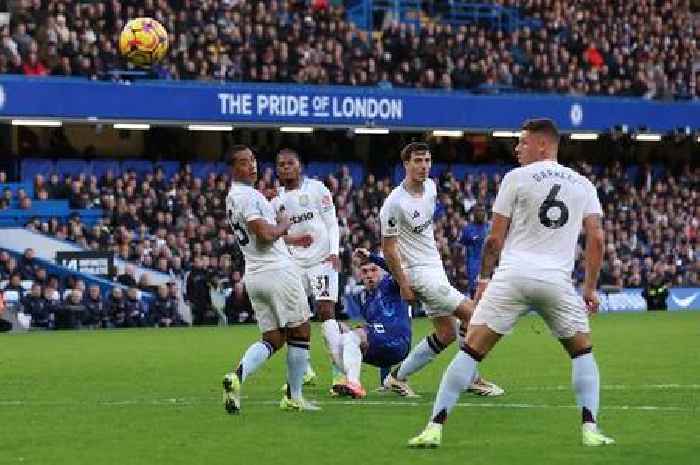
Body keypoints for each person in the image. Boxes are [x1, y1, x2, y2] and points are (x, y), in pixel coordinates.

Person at [408, 118, 614, 448]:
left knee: (471, 350)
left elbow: (493, 240)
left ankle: (434, 426)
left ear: (544, 144)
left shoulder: (516, 178)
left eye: (523, 142)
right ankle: (591, 429)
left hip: (513, 277)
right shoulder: (584, 185)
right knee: (582, 352)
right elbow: (598, 239)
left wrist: (484, 279)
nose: (517, 148)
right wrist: (589, 289)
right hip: (556, 281)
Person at [379, 142, 503, 397]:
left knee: (446, 333)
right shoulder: (394, 203)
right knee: (473, 314)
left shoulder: (431, 189)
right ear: (406, 164)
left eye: (427, 160)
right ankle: (471, 377)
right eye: (418, 161)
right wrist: (403, 283)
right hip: (418, 273)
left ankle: (396, 377)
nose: (424, 166)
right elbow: (389, 248)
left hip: (434, 267)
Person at [222, 145, 319, 413]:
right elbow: (266, 234)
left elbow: (262, 236)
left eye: (253, 160)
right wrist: (285, 223)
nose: (252, 165)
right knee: (301, 331)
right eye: (243, 162)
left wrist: (291, 237)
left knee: (273, 337)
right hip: (278, 273)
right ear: (233, 169)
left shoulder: (234, 197)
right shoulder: (249, 197)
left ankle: (236, 377)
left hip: (254, 275)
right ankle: (294, 397)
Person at [273, 148, 342, 390]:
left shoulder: (317, 189)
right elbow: (273, 236)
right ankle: (303, 371)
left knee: (325, 310)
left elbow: (332, 223)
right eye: (281, 164)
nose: (285, 168)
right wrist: (294, 241)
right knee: (294, 317)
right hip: (295, 264)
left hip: (322, 260)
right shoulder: (275, 200)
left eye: (290, 163)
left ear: (299, 166)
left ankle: (340, 374)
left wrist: (334, 252)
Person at [337, 248, 412, 398]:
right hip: (384, 351)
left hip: (400, 343)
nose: (369, 275)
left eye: (373, 270)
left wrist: (373, 257)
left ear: (381, 271)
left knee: (355, 335)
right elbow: (377, 333)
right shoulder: (366, 303)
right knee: (338, 332)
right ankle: (382, 382)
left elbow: (397, 270)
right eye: (365, 272)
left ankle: (352, 383)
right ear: (360, 276)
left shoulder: (391, 285)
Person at [458, 204, 489, 298]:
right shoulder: (468, 229)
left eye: (483, 211)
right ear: (474, 213)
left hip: (488, 265)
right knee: (475, 292)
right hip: (473, 265)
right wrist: (461, 265)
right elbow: (460, 247)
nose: (481, 213)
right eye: (479, 211)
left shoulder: (489, 228)